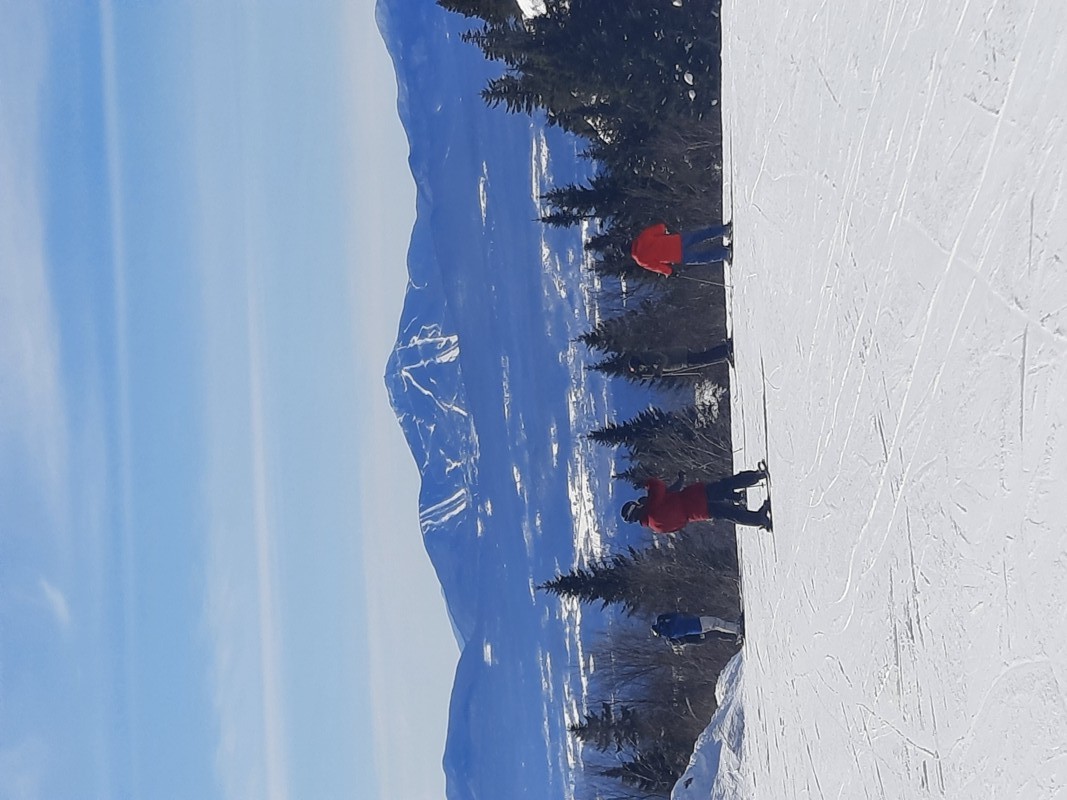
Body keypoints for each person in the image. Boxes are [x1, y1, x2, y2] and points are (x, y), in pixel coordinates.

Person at [620, 468, 770, 532]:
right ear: (637, 508)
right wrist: (645, 482)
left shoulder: (656, 526)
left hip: (698, 514)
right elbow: (658, 487)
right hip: (695, 496)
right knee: (726, 484)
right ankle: (756, 476)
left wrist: (680, 480)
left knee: (729, 513)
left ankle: (758, 518)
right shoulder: (652, 507)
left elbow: (678, 523)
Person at [630, 221, 733, 276]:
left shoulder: (641, 259)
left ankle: (724, 253)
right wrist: (665, 230)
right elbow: (660, 228)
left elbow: (657, 267)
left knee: (701, 257)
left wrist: (670, 272)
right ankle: (724, 230)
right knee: (701, 235)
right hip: (676, 240)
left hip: (677, 256)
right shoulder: (642, 237)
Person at [625, 341, 734, 379]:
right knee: (702, 357)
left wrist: (659, 371)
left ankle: (724, 350)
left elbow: (664, 358)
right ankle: (723, 350)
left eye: (639, 367)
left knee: (703, 358)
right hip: (681, 358)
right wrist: (641, 374)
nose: (641, 369)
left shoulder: (648, 358)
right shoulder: (646, 361)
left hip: (681, 357)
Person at [651, 612, 744, 645]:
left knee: (717, 627)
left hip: (698, 629)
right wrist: (663, 617)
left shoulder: (671, 634)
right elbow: (676, 615)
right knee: (717, 623)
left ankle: (735, 630)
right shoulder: (673, 623)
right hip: (698, 622)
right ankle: (737, 629)